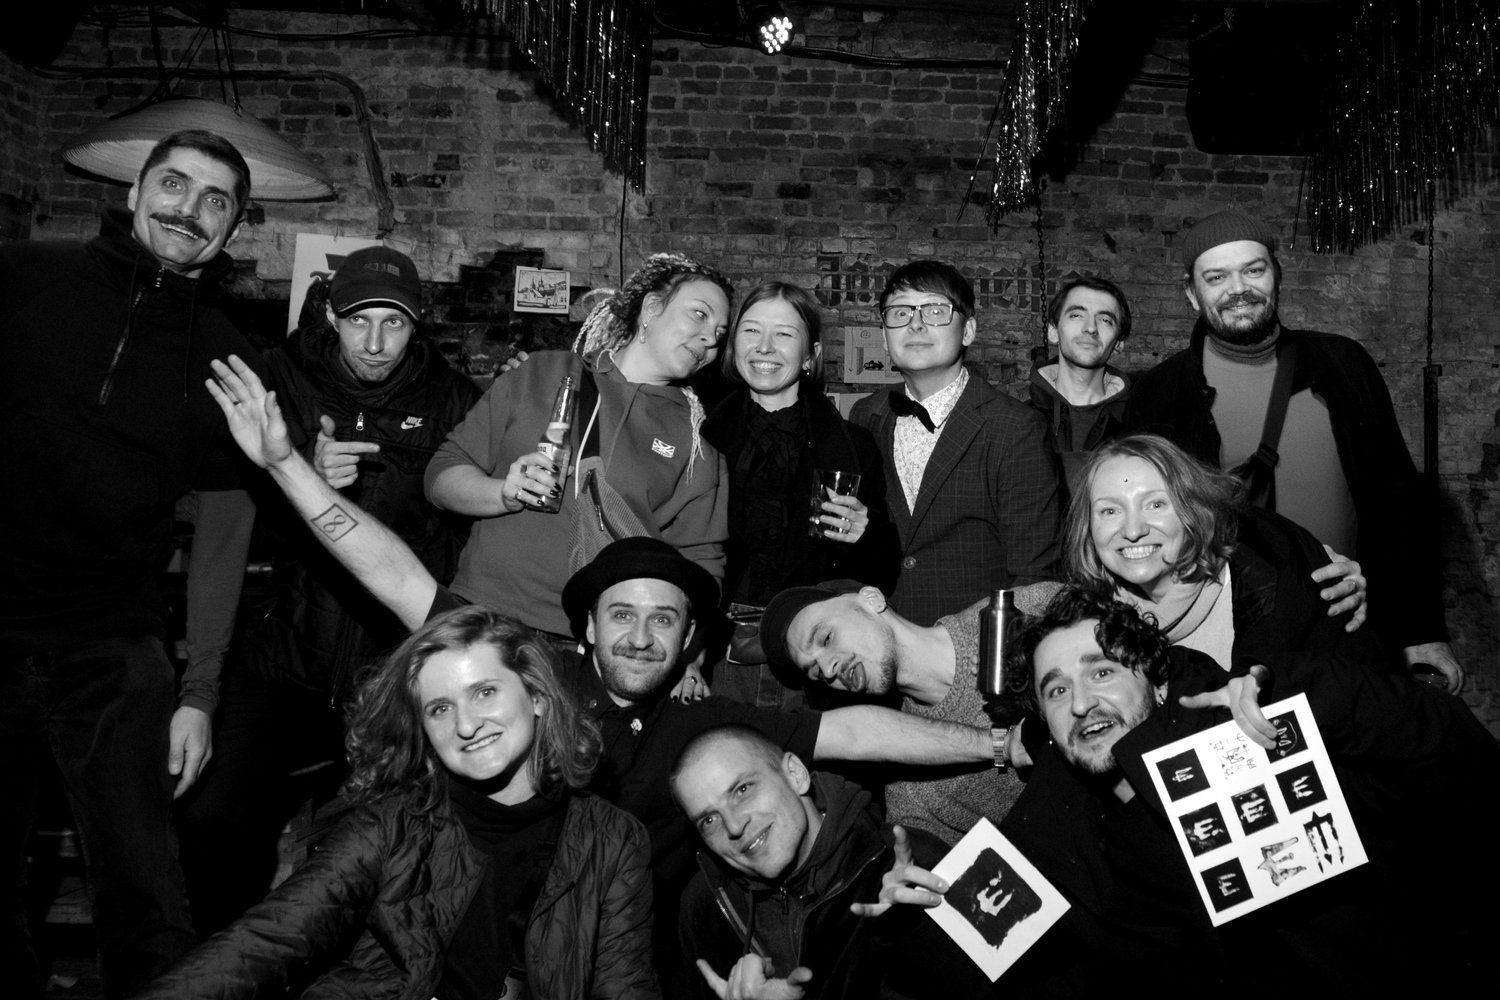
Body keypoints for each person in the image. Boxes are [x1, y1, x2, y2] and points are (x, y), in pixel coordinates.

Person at [200, 353, 1007, 994]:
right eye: (622, 614)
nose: (642, 636)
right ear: (585, 629)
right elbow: (393, 573)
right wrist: (285, 464)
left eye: (665, 620)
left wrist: (999, 747)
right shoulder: (530, 678)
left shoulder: (703, 731)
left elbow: (850, 732)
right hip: (437, 940)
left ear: (688, 642)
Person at [0, 129, 264, 998]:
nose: (189, 210)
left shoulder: (227, 358)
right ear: (134, 192)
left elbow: (224, 535)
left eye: (215, 201)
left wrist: (199, 696)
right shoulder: (24, 279)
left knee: (148, 894)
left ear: (231, 230)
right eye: (174, 185)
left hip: (113, 642)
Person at [176, 245, 481, 936]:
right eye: (358, 320)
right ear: (332, 317)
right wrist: (299, 478)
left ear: (416, 326)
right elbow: (228, 517)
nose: (374, 342)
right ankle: (227, 966)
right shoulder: (280, 379)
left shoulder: (456, 401)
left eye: (393, 323)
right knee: (213, 821)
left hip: (391, 671)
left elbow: (464, 540)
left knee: (381, 854)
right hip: (284, 653)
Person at [994, 586, 1500, 992]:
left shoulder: (1251, 738)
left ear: (1157, 684)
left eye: (1102, 672)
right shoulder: (1058, 827)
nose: (1080, 703)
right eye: (1057, 690)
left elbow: (1455, 753)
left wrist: (1298, 691)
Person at [137, 606, 658, 999]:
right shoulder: (393, 823)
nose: (466, 725)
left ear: (537, 697)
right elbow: (270, 939)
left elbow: (624, 986)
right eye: (440, 708)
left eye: (484, 692)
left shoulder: (612, 839)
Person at [1125, 209, 1464, 692]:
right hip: (1222, 635)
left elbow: (1397, 504)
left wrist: (1421, 631)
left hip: (1349, 621)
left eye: (1253, 270)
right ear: (1191, 293)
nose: (1238, 288)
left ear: (1276, 276)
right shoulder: (1160, 393)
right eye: (1216, 277)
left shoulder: (1343, 365)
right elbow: (1145, 527)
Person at [424, 252, 733, 650]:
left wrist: (688, 654)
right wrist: (502, 493)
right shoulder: (541, 373)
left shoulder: (697, 440)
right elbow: (443, 473)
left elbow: (701, 562)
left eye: (720, 332)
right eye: (699, 314)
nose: (710, 338)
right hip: (482, 619)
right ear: (652, 309)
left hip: (593, 645)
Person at [670, 725, 984, 1000]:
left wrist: (906, 933)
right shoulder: (707, 907)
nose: (734, 826)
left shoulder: (904, 863)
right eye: (709, 820)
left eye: (742, 790)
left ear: (795, 774)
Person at [701, 281, 897, 709]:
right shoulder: (699, 433)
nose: (764, 347)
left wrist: (866, 534)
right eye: (751, 331)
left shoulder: (853, 446)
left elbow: (881, 575)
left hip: (818, 660)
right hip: (715, 658)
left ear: (810, 355)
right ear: (733, 346)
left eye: (784, 334)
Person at [757, 578, 1061, 855]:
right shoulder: (912, 791)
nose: (827, 668)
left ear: (872, 599)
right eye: (816, 672)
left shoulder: (1028, 610)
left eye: (825, 638)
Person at [850, 259, 1063, 626]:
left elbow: (1035, 579)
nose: (916, 324)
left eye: (935, 311)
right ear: (884, 336)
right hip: (876, 637)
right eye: (900, 312)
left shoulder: (1016, 428)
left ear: (968, 331)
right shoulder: (865, 415)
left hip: (972, 646)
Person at [1066, 433, 1376, 677]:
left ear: (1192, 509)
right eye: (1110, 511)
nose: (1133, 530)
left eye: (1156, 504)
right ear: (1088, 527)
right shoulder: (1083, 626)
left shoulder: (1274, 572)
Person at [1027, 275, 1133, 494]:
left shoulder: (1138, 426)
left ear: (1119, 342)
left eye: (1105, 320)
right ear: (1053, 331)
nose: (1090, 328)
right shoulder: (1021, 423)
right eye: (1076, 315)